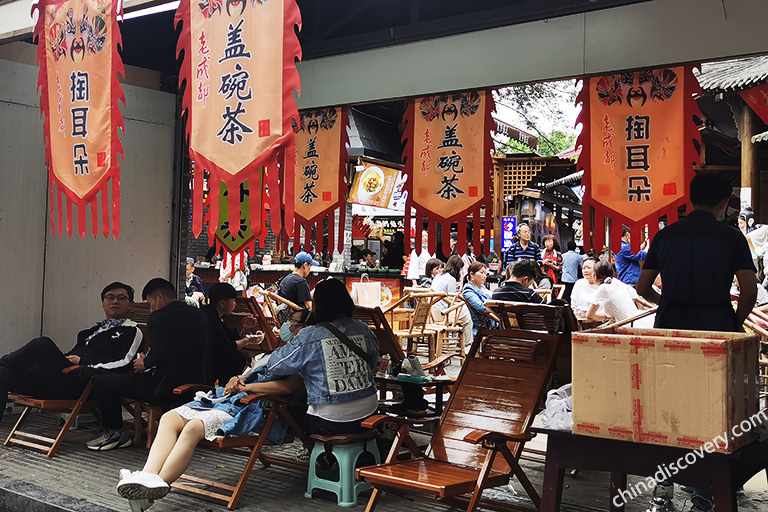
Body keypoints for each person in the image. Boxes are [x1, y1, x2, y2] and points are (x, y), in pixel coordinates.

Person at [636, 173, 757, 512]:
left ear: (690, 199)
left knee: (668, 408)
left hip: (670, 329)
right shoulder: (731, 237)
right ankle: (709, 489)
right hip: (715, 331)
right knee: (713, 409)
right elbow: (749, 290)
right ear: (723, 203)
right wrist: (733, 321)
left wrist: (669, 302)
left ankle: (663, 492)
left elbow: (642, 288)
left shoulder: (664, 236)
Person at [114, 313, 313, 512]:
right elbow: (244, 374)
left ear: (305, 329)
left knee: (193, 428)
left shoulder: (298, 359)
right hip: (224, 400)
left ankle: (154, 487)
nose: (289, 326)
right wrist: (236, 378)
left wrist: (248, 389)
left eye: (294, 323)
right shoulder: (271, 354)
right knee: (169, 418)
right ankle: (147, 476)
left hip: (250, 407)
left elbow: (289, 387)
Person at [88, 278, 210, 451]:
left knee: (103, 383)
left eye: (150, 303)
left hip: (163, 386)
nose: (151, 308)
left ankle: (115, 432)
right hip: (197, 385)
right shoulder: (199, 314)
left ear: (159, 298)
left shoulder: (159, 317)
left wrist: (144, 362)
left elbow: (160, 354)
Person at [0, 282, 142, 423]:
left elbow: (125, 363)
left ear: (131, 304)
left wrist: (82, 362)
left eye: (122, 298)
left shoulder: (131, 331)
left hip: (81, 383)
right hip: (58, 380)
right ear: (103, 303)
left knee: (42, 344)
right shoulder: (91, 332)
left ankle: (3, 360)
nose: (115, 301)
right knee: (2, 373)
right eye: (110, 297)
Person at [201, 283, 260, 385]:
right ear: (222, 303)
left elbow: (227, 336)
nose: (235, 304)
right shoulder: (209, 317)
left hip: (208, 357)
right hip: (203, 361)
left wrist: (241, 326)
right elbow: (227, 346)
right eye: (233, 301)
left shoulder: (210, 313)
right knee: (237, 358)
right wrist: (248, 340)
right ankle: (225, 389)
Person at [585, 261, 652, 327]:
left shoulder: (603, 288)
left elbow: (589, 315)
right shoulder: (616, 282)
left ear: (595, 275)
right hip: (639, 319)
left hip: (628, 325)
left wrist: (605, 317)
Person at [430, 255, 472, 348]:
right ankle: (467, 344)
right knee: (466, 315)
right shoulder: (451, 279)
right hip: (443, 313)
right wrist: (458, 295)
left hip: (432, 311)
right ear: (457, 268)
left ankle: (465, 344)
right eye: (461, 269)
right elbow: (451, 300)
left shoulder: (438, 276)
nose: (461, 272)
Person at [462, 261, 495, 337]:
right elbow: (481, 307)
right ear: (472, 274)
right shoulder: (468, 290)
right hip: (482, 326)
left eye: (485, 274)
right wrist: (496, 312)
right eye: (481, 273)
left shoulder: (483, 288)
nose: (484, 276)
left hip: (492, 322)